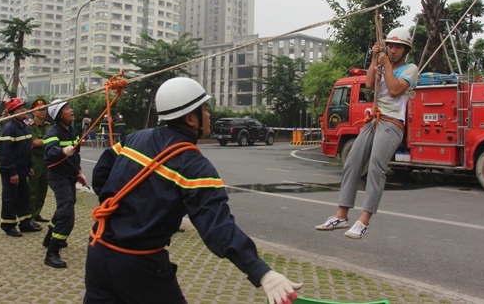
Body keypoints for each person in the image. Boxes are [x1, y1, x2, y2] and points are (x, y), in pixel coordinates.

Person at [84, 77, 302, 304]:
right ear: (190, 118)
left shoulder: (136, 137)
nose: (209, 116)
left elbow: (102, 173)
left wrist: (122, 213)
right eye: (205, 109)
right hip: (140, 267)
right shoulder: (195, 166)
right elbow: (218, 227)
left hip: (98, 251)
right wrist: (262, 272)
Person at [315, 27, 419, 239]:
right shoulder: (381, 64)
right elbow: (370, 84)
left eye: (398, 47)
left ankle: (364, 221)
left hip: (392, 123)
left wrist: (386, 66)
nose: (392, 50)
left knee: (376, 167)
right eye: (390, 46)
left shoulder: (411, 69)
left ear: (406, 49)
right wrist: (374, 59)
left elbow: (394, 90)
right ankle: (341, 215)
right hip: (374, 120)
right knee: (352, 162)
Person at [42, 99, 84, 269]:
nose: (71, 110)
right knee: (67, 212)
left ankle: (48, 237)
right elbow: (51, 152)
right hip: (57, 176)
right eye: (67, 108)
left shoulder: (72, 130)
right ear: (59, 115)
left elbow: (75, 155)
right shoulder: (53, 132)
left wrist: (79, 172)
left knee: (66, 206)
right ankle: (52, 252)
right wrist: (62, 151)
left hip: (69, 175)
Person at [0, 98, 43, 237]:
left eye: (24, 107)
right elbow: (5, 154)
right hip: (12, 170)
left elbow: (27, 149)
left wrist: (29, 166)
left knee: (24, 196)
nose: (24, 110)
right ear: (12, 112)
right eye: (19, 109)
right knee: (10, 197)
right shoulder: (9, 129)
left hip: (23, 169)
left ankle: (25, 222)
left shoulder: (24, 127)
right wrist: (12, 172)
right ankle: (8, 225)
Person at [28, 99, 51, 223]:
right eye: (40, 110)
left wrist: (43, 141)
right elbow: (35, 142)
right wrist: (48, 140)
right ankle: (29, 215)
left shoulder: (48, 125)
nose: (43, 112)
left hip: (46, 160)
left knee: (43, 189)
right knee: (32, 189)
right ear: (33, 112)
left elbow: (49, 140)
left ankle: (37, 213)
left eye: (44, 109)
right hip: (35, 159)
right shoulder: (30, 127)